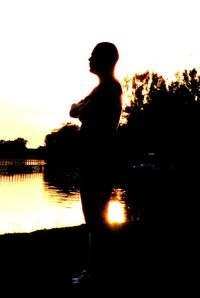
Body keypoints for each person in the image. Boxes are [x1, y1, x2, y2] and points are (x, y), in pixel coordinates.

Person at [69, 42, 122, 285]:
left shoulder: (109, 89)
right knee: (94, 219)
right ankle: (100, 269)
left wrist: (82, 109)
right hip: (93, 161)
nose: (88, 60)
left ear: (104, 60)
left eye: (93, 56)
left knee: (95, 219)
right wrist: (81, 108)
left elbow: (82, 112)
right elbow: (74, 110)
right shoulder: (100, 89)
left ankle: (95, 272)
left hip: (99, 162)